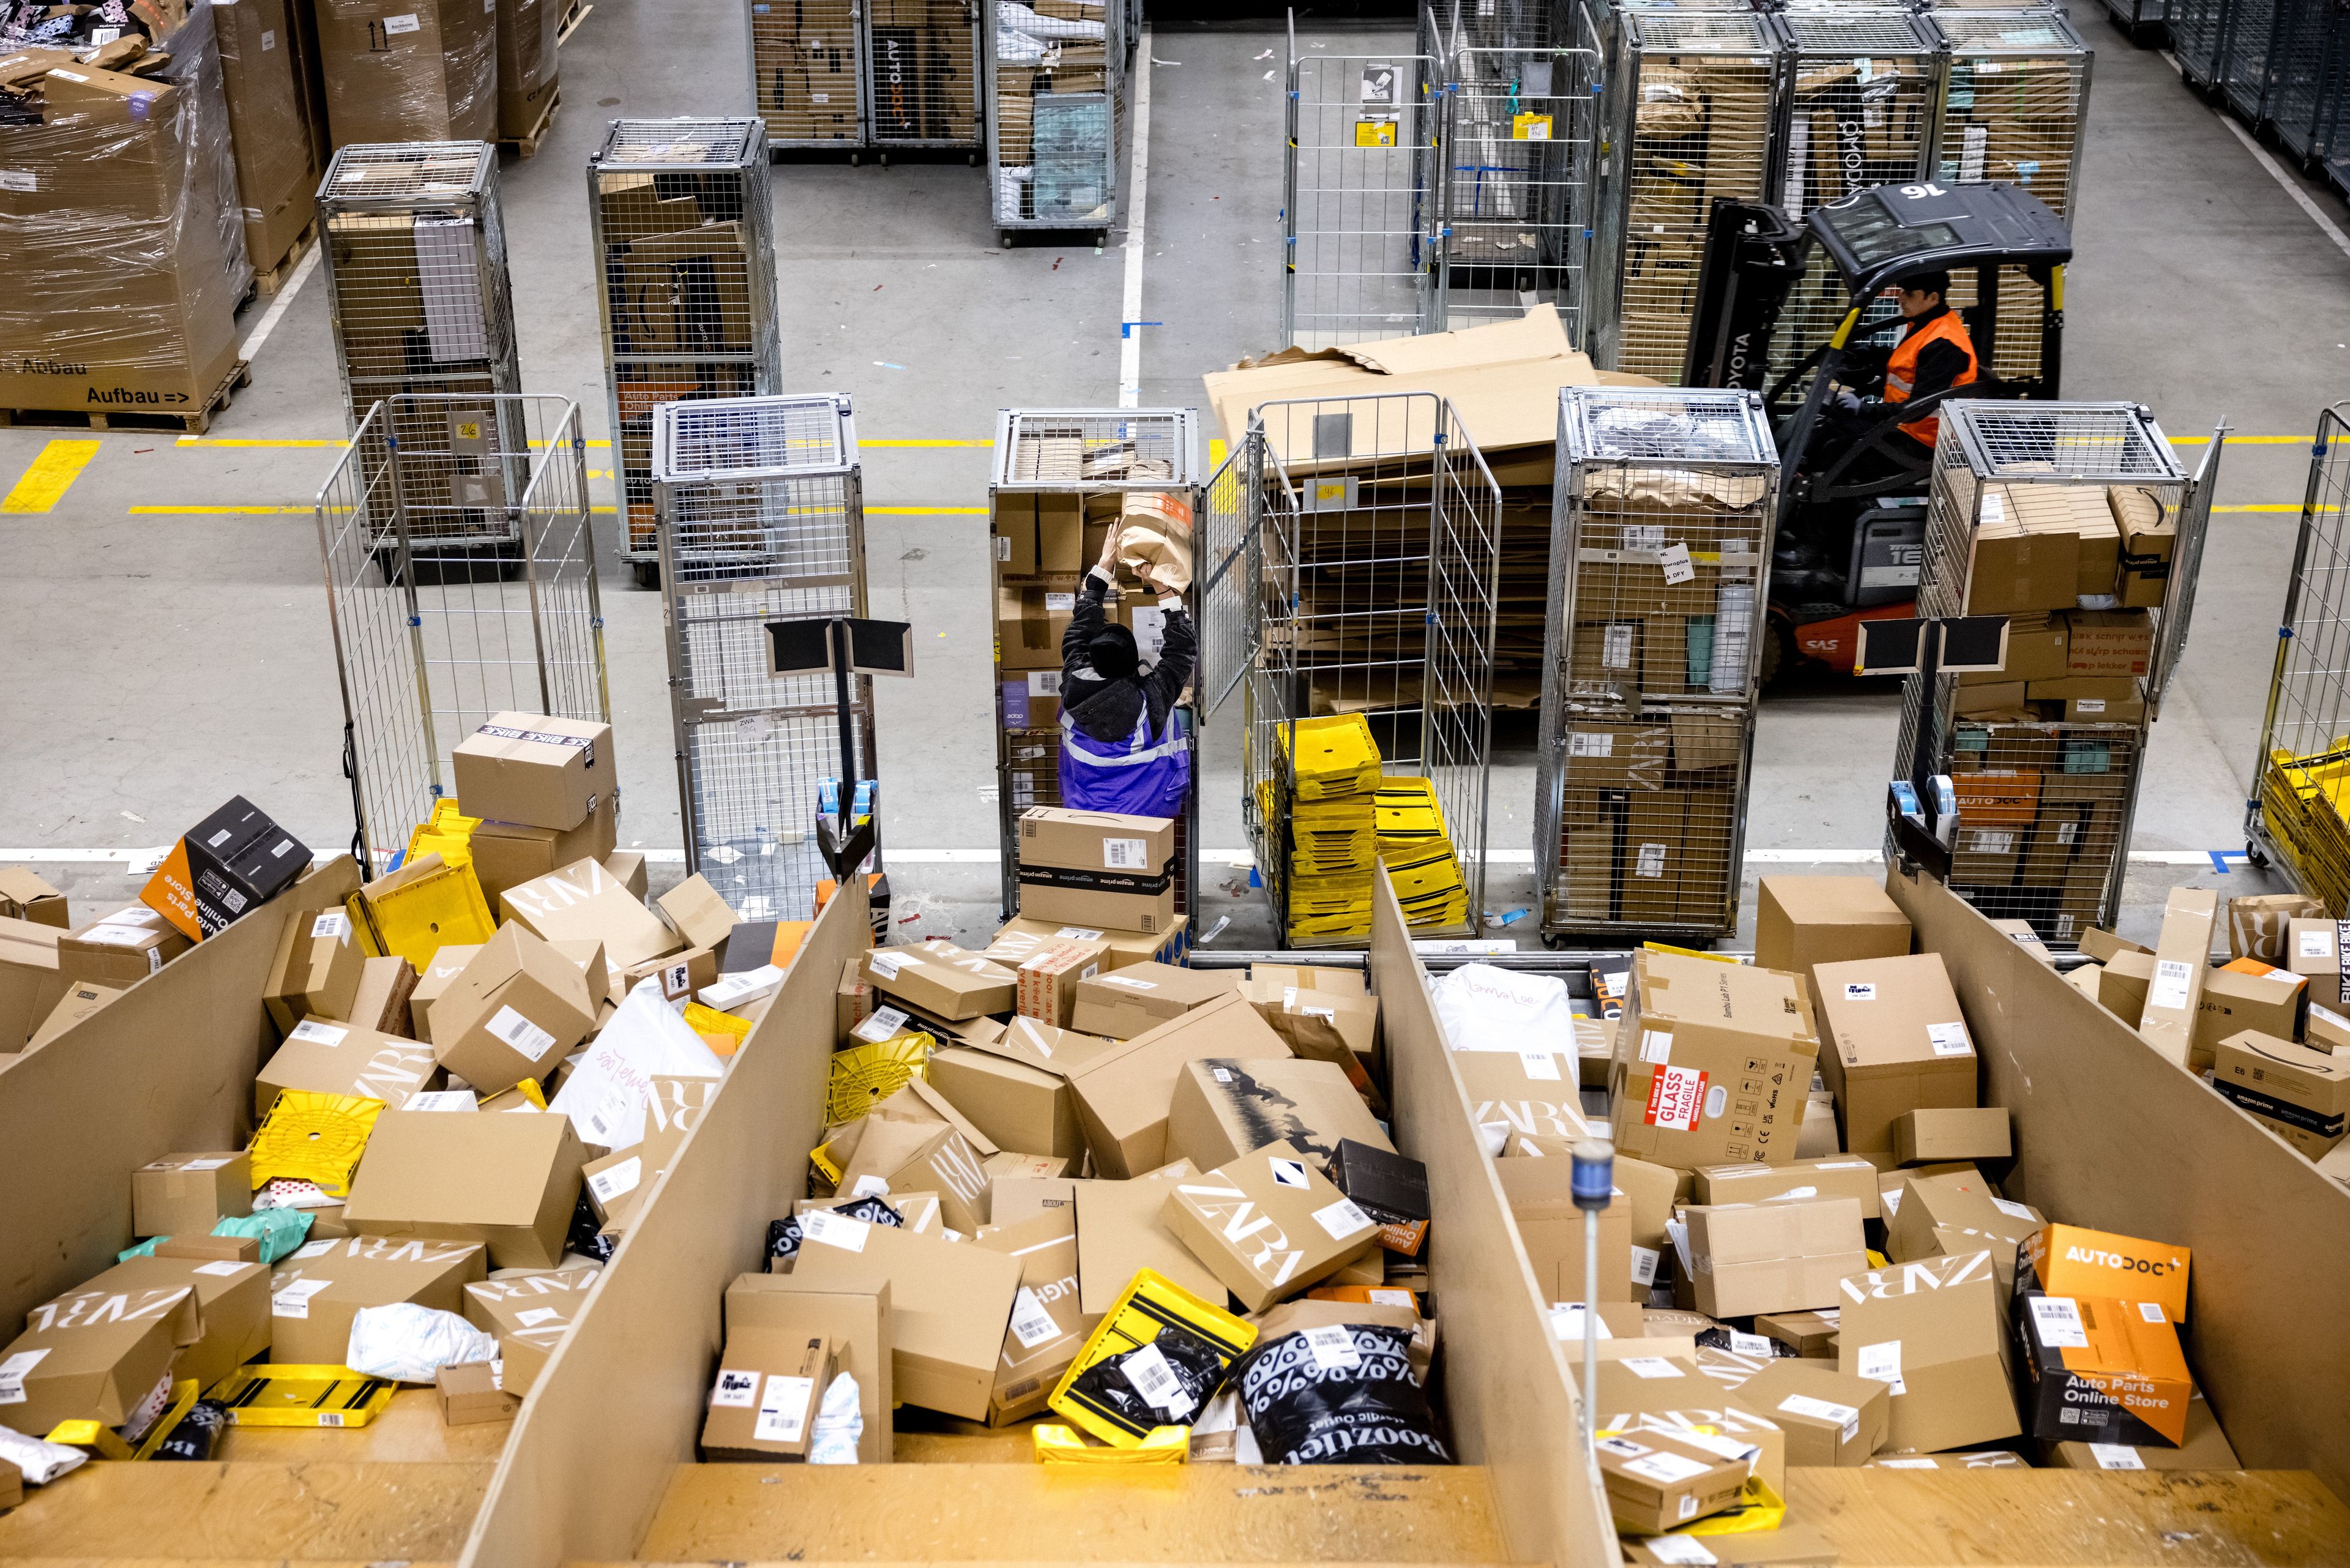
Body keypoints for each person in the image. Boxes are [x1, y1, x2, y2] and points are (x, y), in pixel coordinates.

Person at [1056, 526, 1196, 819]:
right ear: (1136, 665)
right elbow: (1182, 649)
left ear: (1091, 661)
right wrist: (1161, 586)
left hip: (1084, 811)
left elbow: (1078, 631)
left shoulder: (1074, 679)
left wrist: (1103, 567)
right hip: (1149, 813)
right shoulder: (1151, 699)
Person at [1816, 269, 1980, 485]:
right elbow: (1906, 372)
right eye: (1902, 292)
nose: (1900, 298)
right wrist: (1863, 379)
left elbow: (1919, 407)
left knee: (1836, 450)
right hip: (1903, 425)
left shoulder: (1945, 346)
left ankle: (1830, 501)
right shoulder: (1925, 324)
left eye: (1909, 294)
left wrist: (1863, 409)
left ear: (1933, 298)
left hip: (1924, 441)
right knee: (1828, 428)